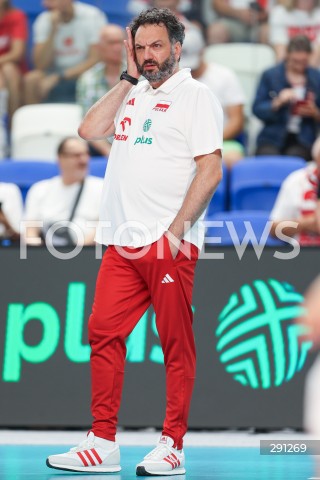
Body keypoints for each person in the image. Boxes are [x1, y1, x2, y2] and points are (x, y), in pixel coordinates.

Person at [46, 7, 223, 476]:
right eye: (141, 47)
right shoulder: (135, 91)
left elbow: (211, 169)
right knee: (103, 334)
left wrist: (173, 236)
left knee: (175, 345)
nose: (148, 56)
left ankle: (172, 446)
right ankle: (103, 442)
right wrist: (127, 78)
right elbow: (87, 130)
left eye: (157, 46)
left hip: (167, 243)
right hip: (121, 244)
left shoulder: (196, 96)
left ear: (177, 48)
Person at [180, 30, 245, 167]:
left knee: (233, 159)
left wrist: (209, 143)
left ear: (202, 52)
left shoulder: (224, 76)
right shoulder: (174, 79)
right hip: (182, 143)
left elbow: (236, 120)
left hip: (220, 141)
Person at [23, 136, 103, 247]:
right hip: (47, 254)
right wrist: (38, 253)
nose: (83, 160)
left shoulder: (102, 188)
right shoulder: (40, 189)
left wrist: (77, 252)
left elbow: (102, 228)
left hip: (88, 253)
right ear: (60, 158)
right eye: (76, 155)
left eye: (86, 154)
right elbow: (30, 231)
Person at [23, 0, 107, 105]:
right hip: (52, 73)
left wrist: (59, 76)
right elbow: (40, 65)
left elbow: (95, 59)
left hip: (84, 73)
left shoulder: (92, 16)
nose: (45, 4)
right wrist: (53, 30)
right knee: (32, 79)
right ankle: (32, 119)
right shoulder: (44, 20)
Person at [252, 35, 320, 161]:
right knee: (268, 158)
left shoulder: (316, 78)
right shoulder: (270, 75)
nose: (299, 66)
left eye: (303, 62)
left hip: (303, 139)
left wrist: (314, 112)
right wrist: (277, 102)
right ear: (287, 55)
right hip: (272, 135)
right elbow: (257, 109)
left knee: (295, 159)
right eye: (295, 61)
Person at [76, 24, 126, 158]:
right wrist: (109, 152)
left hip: (134, 142)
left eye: (120, 43)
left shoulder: (141, 76)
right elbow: (88, 121)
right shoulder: (87, 79)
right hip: (99, 145)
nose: (117, 48)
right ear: (100, 47)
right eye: (111, 43)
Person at [270, 135, 320, 245]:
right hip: (301, 256)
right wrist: (306, 223)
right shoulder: (297, 180)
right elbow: (274, 230)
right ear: (316, 158)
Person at [0, 0, 28, 125]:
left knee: (8, 69)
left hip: (12, 70)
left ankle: (13, 125)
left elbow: (17, 53)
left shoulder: (16, 16)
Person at [269, 0, 320, 67]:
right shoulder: (280, 13)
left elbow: (318, 52)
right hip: (289, 66)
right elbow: (280, 52)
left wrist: (309, 74)